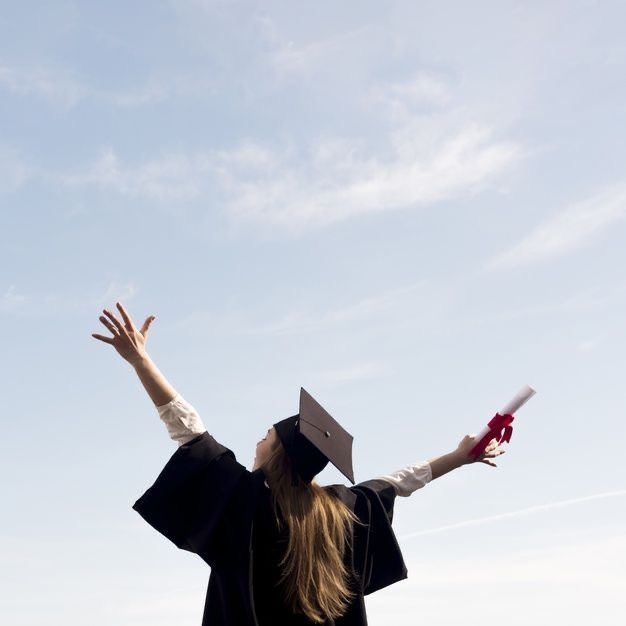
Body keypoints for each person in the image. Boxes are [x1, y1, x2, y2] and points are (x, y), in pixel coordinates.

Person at [92, 302, 505, 626]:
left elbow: (187, 428)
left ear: (277, 456)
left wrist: (141, 362)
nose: (258, 440)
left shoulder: (245, 500)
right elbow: (396, 483)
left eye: (265, 437)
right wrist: (458, 457)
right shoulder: (340, 512)